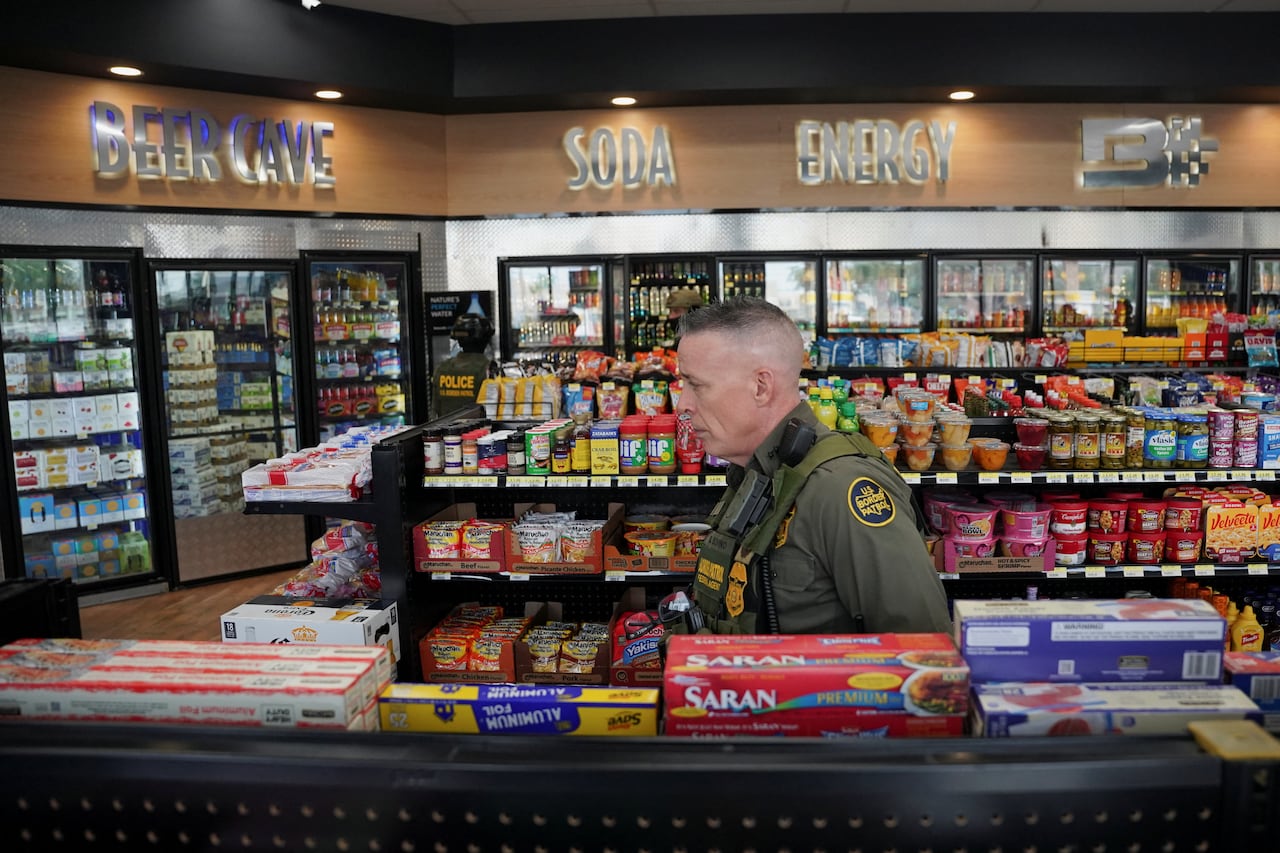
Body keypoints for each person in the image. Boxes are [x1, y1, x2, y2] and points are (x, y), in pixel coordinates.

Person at [672, 296, 952, 635]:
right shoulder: (759, 473)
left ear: (761, 386)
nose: (683, 405)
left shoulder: (840, 487)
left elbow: (926, 655)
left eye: (696, 385)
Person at [431, 312, 495, 419]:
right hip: (479, 433)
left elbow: (435, 410)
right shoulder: (488, 369)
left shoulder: (441, 368)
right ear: (485, 339)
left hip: (445, 432)